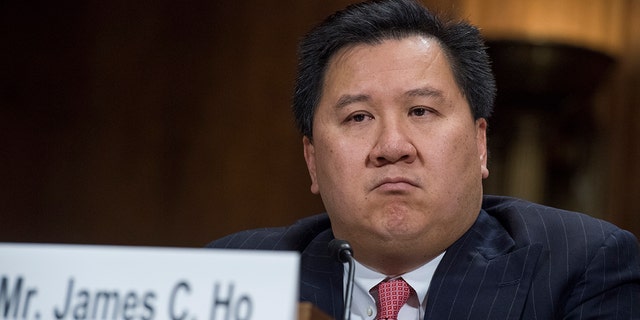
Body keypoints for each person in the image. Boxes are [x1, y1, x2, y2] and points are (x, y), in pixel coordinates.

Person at [207, 0, 640, 319]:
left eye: (421, 111)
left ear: (479, 144)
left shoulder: (581, 266)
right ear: (313, 160)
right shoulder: (232, 273)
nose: (392, 146)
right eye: (359, 117)